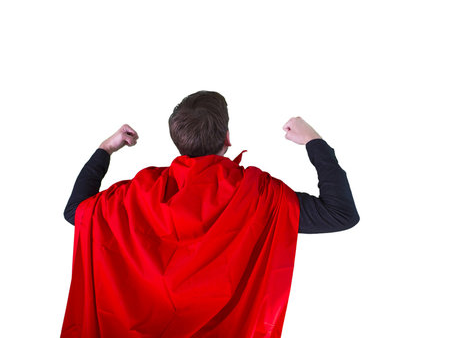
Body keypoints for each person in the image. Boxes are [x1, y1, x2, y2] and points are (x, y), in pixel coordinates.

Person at [61, 90, 359, 337]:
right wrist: (314, 142)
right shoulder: (259, 196)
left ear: (178, 141)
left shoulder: (136, 195)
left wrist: (105, 149)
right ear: (227, 137)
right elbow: (340, 212)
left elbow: (76, 211)